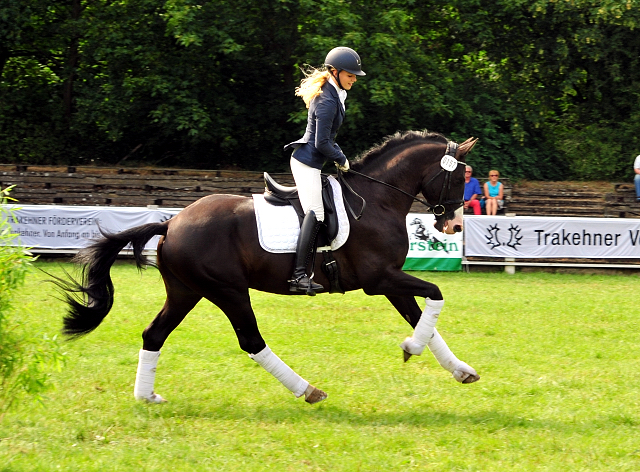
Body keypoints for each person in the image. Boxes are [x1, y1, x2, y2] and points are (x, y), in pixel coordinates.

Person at [283, 47, 366, 295]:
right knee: (316, 213)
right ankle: (298, 276)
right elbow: (321, 143)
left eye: (354, 75)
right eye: (350, 75)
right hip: (306, 162)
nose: (354, 79)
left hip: (314, 160)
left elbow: (328, 137)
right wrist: (341, 159)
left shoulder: (336, 94)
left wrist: (341, 157)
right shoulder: (328, 100)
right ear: (335, 71)